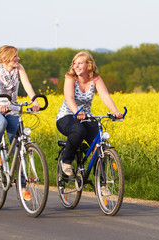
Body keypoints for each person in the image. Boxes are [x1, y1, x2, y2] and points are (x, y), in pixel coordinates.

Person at [56, 51, 123, 196]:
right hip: (67, 116)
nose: (76, 66)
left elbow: (105, 95)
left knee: (99, 144)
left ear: (89, 65)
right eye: (75, 63)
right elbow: (69, 97)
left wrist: (116, 112)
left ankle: (102, 183)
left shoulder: (95, 78)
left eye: (80, 63)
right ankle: (66, 161)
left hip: (85, 116)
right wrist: (76, 111)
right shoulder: (70, 78)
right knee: (78, 131)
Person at [0, 45, 40, 200]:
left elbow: (27, 85)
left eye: (17, 56)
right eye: (15, 56)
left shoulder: (19, 68)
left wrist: (34, 100)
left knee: (18, 149)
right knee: (1, 123)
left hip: (13, 110)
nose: (18, 59)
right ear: (5, 59)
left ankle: (22, 187)